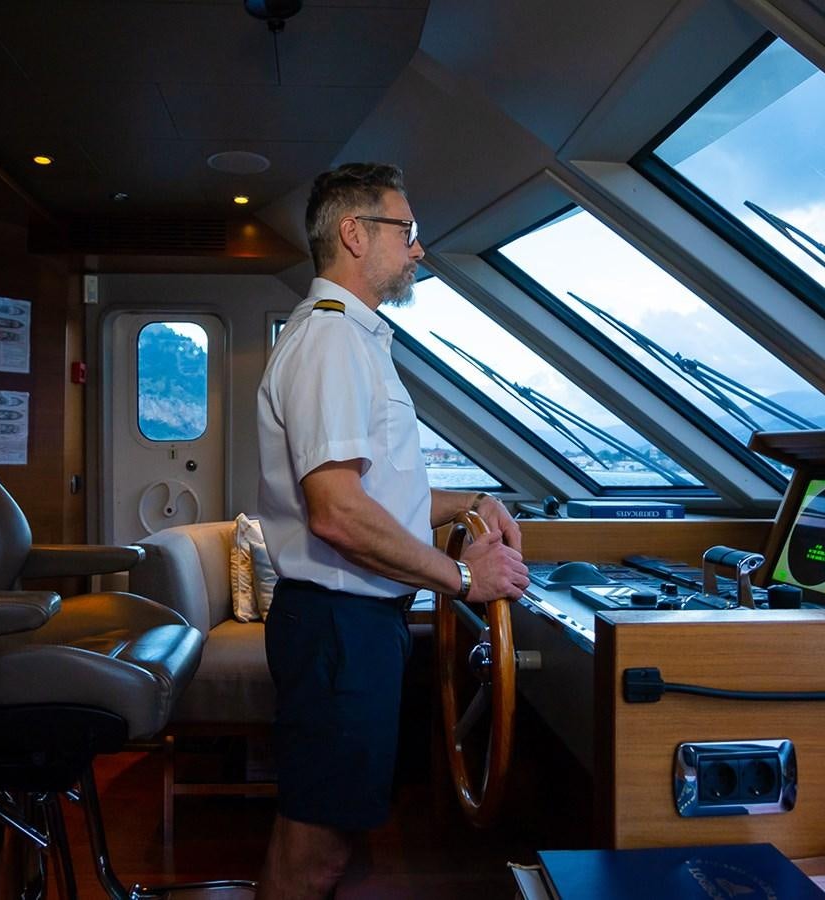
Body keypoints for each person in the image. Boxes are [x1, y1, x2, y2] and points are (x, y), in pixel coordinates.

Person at [254, 162, 530, 900]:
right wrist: (466, 579)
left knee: (326, 843)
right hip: (337, 628)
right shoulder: (332, 343)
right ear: (353, 232)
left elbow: (377, 492)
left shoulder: (351, 340)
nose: (417, 248)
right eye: (405, 230)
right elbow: (337, 511)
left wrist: (466, 500)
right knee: (313, 852)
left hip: (348, 626)